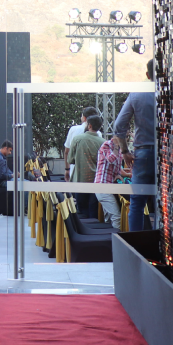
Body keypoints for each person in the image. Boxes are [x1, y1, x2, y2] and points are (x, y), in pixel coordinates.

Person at [114, 59, 157, 231]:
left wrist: (125, 151)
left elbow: (119, 125)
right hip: (169, 155)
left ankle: (136, 243)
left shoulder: (137, 94)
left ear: (147, 74)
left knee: (137, 203)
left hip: (143, 153)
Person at [68, 114, 104, 219]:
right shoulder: (104, 143)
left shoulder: (77, 139)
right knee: (94, 209)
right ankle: (94, 226)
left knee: (82, 210)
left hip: (80, 180)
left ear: (89, 125)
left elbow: (70, 160)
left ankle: (84, 227)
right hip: (97, 181)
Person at [94, 133, 127, 228]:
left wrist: (118, 175)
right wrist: (116, 146)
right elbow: (111, 159)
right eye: (125, 136)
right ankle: (117, 236)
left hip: (109, 187)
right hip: (102, 186)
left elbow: (117, 167)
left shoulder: (119, 149)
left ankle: (109, 235)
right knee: (116, 217)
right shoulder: (107, 145)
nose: (126, 139)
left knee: (108, 219)